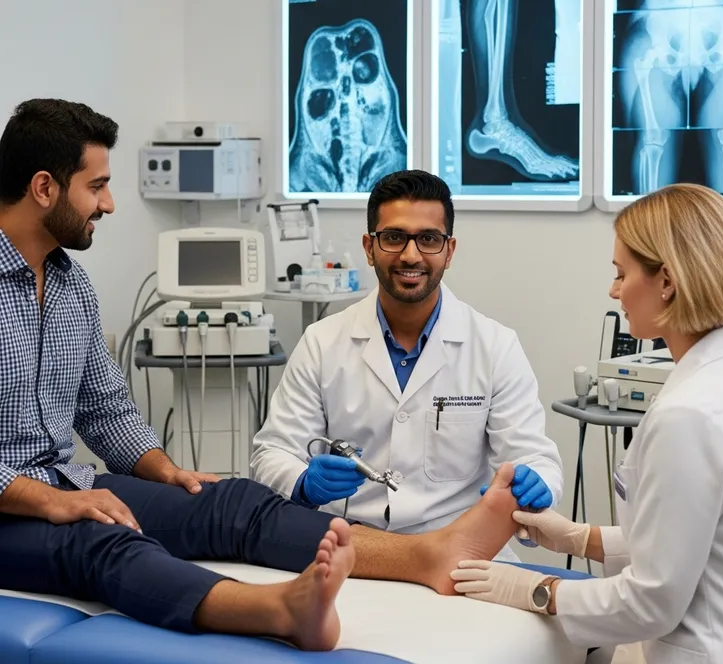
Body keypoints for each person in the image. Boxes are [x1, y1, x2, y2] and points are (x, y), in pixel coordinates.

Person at [0, 98, 525, 651]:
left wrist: (169, 472)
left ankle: (431, 555)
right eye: (97, 185)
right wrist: (51, 501)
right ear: (44, 188)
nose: (107, 203)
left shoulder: (68, 285)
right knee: (105, 542)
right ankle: (276, 609)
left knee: (231, 501)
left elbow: (106, 409)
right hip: (16, 505)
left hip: (65, 482)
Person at [450, 183, 723, 663]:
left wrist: (538, 588)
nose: (613, 290)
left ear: (668, 282)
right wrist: (579, 538)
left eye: (621, 273)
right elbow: (698, 536)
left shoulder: (691, 414)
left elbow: (650, 601)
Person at [251, 169, 562, 552]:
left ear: (449, 251)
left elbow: (532, 455)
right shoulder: (322, 342)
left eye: (428, 239)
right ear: (369, 247)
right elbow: (273, 451)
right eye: (394, 238)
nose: (411, 255)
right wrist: (301, 481)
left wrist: (539, 480)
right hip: (350, 545)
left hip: (460, 547)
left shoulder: (495, 346)